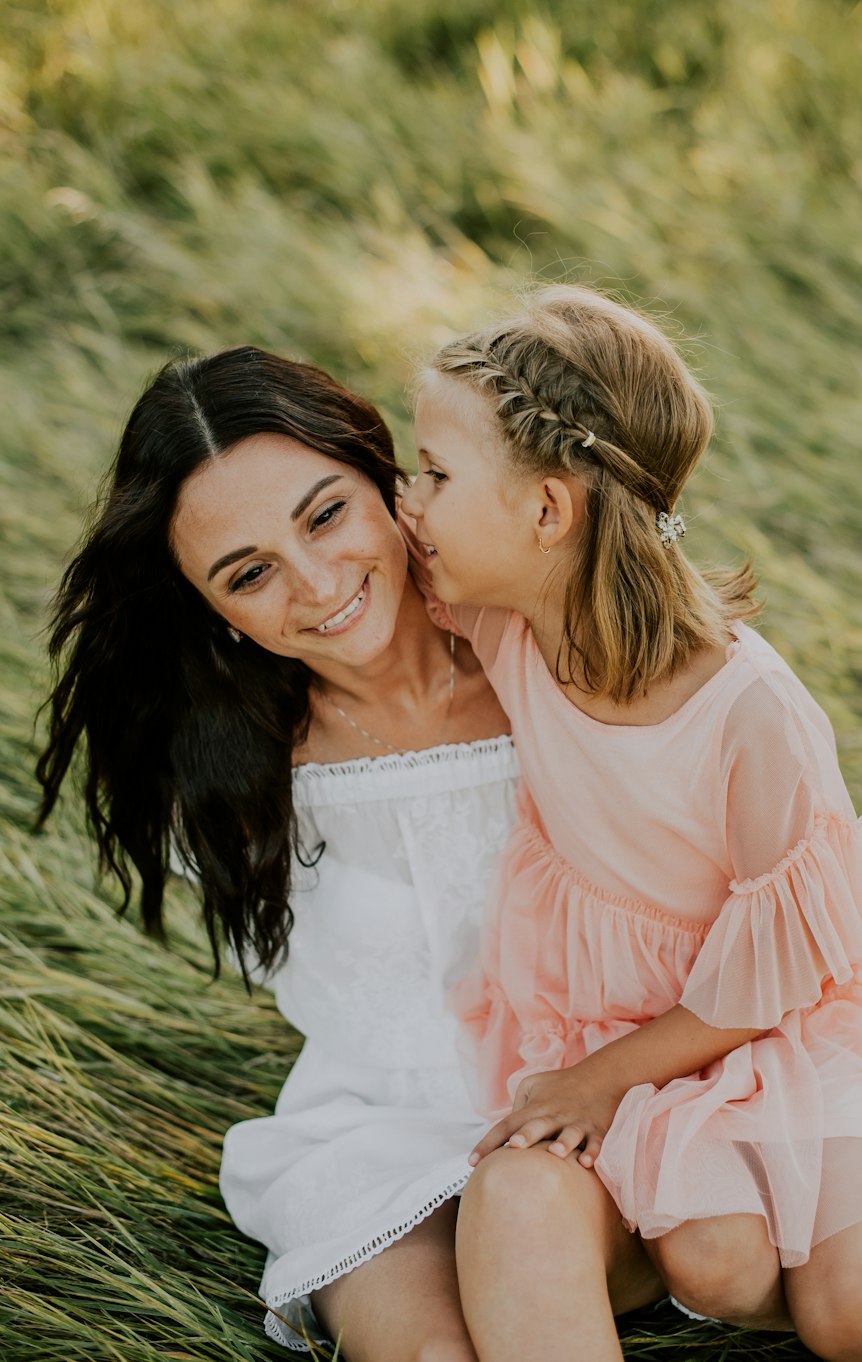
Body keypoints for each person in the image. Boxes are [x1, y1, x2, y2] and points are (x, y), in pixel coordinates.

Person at [401, 284, 862, 1362]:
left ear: (547, 512)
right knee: (717, 1267)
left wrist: (594, 1084)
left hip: (769, 1018)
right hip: (611, 1010)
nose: (410, 499)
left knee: (856, 1323)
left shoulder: (747, 712)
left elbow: (769, 980)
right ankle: (714, 1243)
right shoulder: (499, 616)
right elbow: (344, 574)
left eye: (436, 475)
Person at [33, 346, 545, 1360]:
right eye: (251, 573)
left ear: (385, 475)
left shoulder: (548, 660)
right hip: (373, 1131)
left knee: (533, 1288)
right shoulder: (235, 776)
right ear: (212, 610)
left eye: (325, 514)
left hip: (597, 1100)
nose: (316, 585)